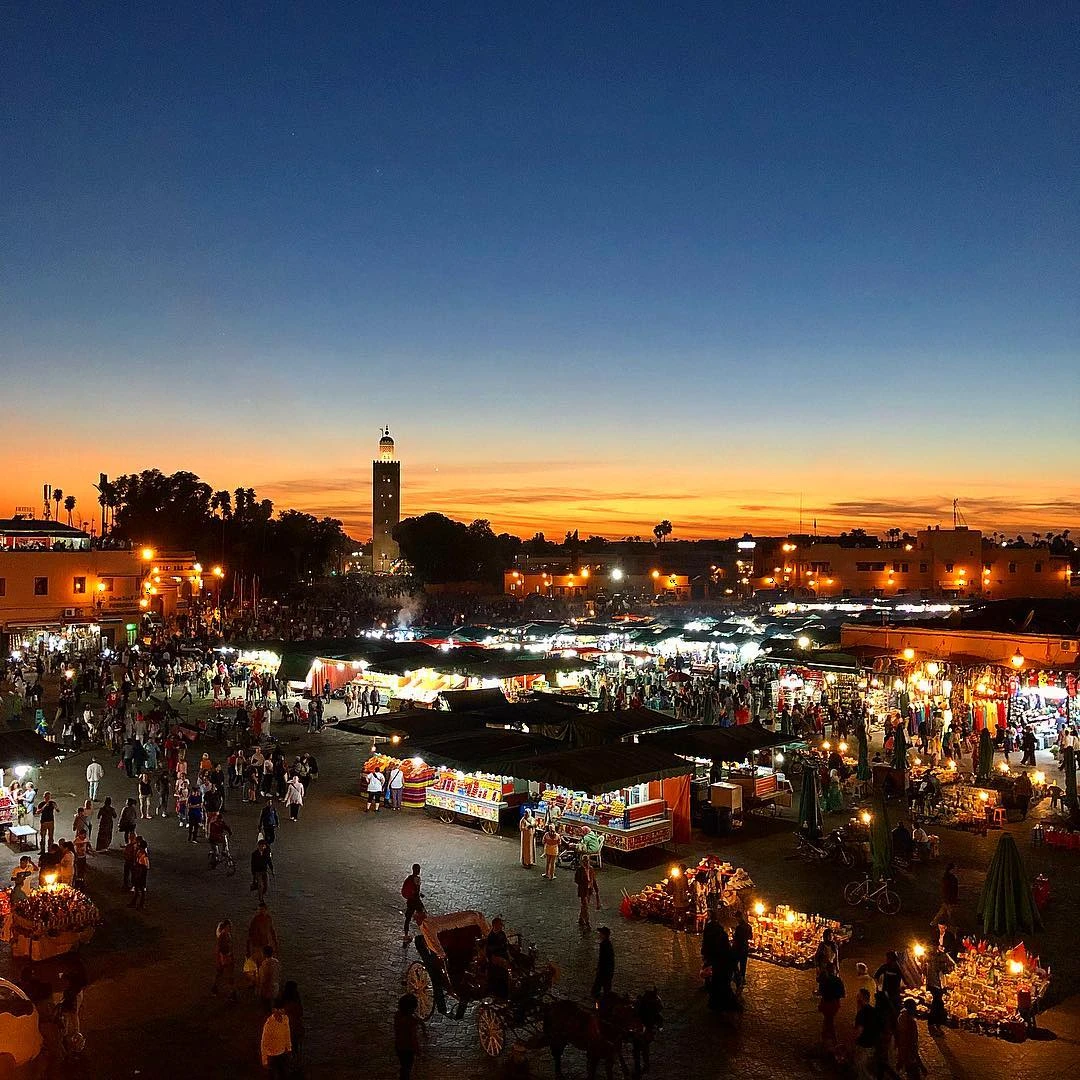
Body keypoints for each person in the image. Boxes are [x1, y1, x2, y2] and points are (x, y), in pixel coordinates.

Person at [852, 988, 880, 1080]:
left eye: (857, 997)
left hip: (863, 1046)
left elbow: (859, 1031)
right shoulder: (874, 1011)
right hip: (872, 1045)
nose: (856, 999)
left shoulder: (861, 1013)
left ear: (861, 999)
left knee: (863, 1072)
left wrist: (852, 1042)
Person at [260, 999, 292, 1078]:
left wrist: (288, 1047)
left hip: (282, 1053)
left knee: (284, 1074)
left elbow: (287, 1033)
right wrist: (265, 1060)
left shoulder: (285, 1019)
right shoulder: (269, 1025)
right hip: (272, 1056)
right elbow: (264, 1043)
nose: (282, 1012)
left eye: (283, 1009)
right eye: (280, 1009)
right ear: (274, 1010)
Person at [817, 961, 845, 1049]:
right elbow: (842, 994)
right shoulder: (838, 980)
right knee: (829, 1020)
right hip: (834, 1004)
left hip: (826, 1003)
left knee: (828, 1020)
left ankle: (829, 1039)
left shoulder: (824, 980)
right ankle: (830, 1039)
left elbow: (820, 992)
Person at [394, 993, 421, 1080]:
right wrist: (417, 1050)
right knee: (407, 1067)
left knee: (404, 1066)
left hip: (399, 1046)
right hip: (408, 1048)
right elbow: (413, 1037)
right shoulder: (411, 1021)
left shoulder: (397, 1015)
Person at [895, 999, 923, 1078]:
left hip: (902, 1050)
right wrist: (920, 1064)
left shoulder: (901, 1017)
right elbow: (912, 1042)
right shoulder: (910, 1022)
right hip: (909, 1054)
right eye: (914, 1007)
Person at [485, 916, 511, 998]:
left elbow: (505, 945)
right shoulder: (491, 937)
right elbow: (490, 950)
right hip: (496, 959)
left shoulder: (502, 934)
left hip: (503, 956)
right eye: (499, 924)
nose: (501, 926)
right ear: (494, 925)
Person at [213, 918, 238, 1000]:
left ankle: (215, 988)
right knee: (229, 976)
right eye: (228, 927)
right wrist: (219, 960)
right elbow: (218, 949)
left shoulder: (227, 935)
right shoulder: (223, 936)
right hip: (224, 958)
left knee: (222, 974)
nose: (229, 928)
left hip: (226, 957)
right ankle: (232, 993)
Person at [280, 981, 304, 1065]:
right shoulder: (296, 1002)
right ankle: (295, 1060)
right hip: (295, 1027)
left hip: (285, 1027)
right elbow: (300, 1013)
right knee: (295, 1044)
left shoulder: (283, 1002)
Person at [575, 857, 599, 931]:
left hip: (589, 890)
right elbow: (576, 880)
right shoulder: (579, 870)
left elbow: (593, 879)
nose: (586, 863)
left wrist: (596, 889)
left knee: (584, 905)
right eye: (585, 861)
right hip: (583, 890)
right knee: (585, 905)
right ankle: (587, 921)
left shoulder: (591, 869)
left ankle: (581, 918)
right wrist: (584, 883)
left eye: (587, 861)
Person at [401, 864, 423, 945]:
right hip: (415, 902)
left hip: (410, 901)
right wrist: (419, 900)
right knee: (423, 917)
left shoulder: (409, 878)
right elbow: (416, 891)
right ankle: (427, 935)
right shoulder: (417, 879)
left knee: (408, 918)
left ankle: (406, 936)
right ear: (418, 870)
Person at [592, 926, 615, 1001]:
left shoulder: (603, 945)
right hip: (609, 970)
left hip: (604, 971)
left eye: (600, 933)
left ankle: (598, 1004)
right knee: (606, 989)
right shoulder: (608, 944)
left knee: (595, 990)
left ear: (603, 935)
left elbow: (602, 959)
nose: (599, 934)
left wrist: (599, 969)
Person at [933, 862, 959, 927]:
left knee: (943, 911)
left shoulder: (949, 877)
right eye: (955, 868)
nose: (956, 870)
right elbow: (948, 890)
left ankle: (934, 922)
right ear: (951, 869)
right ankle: (952, 926)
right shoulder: (950, 878)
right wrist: (948, 899)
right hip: (949, 899)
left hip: (948, 899)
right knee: (950, 913)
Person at [731, 908, 752, 989]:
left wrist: (733, 934)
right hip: (745, 948)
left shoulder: (739, 928)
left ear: (739, 918)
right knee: (743, 964)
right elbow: (750, 937)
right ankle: (742, 978)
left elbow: (736, 938)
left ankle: (737, 977)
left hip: (738, 948)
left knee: (734, 963)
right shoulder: (748, 926)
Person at [131, 838, 150, 909]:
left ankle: (141, 904)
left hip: (141, 875)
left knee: (141, 890)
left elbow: (145, 867)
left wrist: (139, 874)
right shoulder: (139, 853)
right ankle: (134, 903)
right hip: (138, 873)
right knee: (137, 889)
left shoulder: (144, 856)